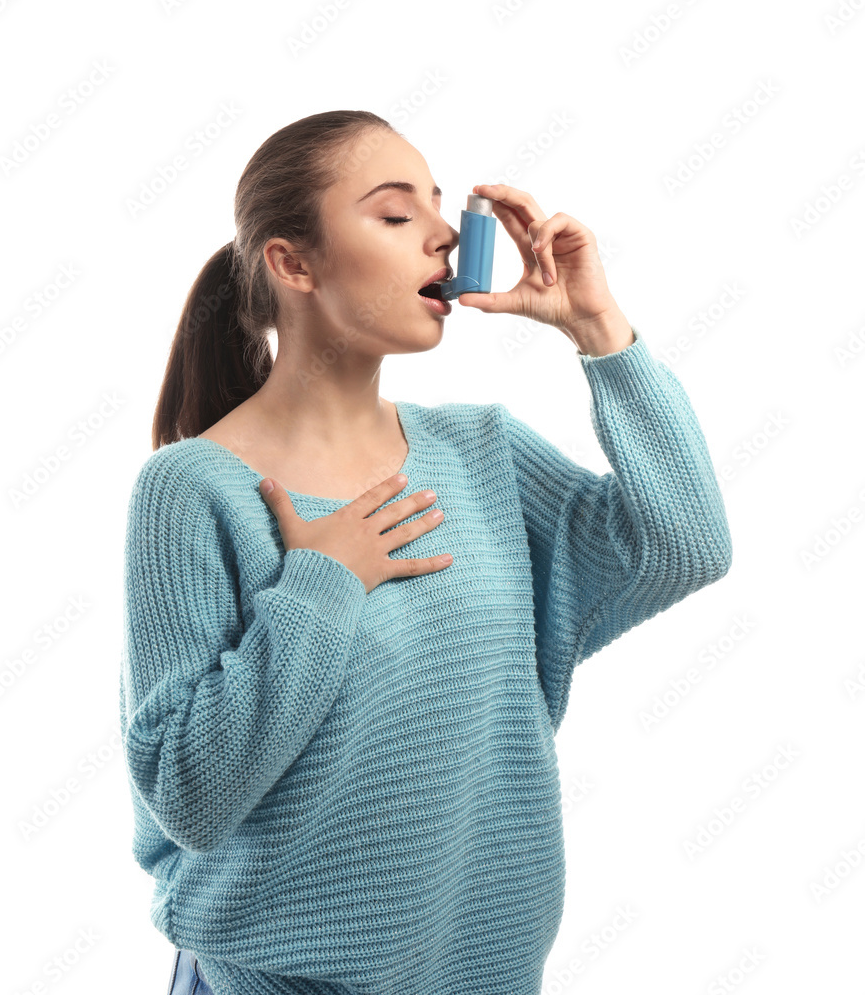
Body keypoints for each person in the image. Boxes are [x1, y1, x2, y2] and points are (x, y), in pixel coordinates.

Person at [119, 109, 732, 995]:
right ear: (293, 265)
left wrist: (597, 329)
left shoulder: (481, 453)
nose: (446, 234)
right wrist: (322, 581)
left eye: (440, 209)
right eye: (397, 215)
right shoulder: (193, 490)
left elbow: (686, 545)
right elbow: (189, 798)